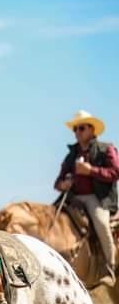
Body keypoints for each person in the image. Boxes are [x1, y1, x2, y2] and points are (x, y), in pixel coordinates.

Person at [55, 110, 119, 286]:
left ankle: (110, 268)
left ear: (92, 130)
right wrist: (63, 184)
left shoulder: (107, 149)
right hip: (73, 198)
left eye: (81, 128)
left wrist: (90, 171)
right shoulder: (72, 154)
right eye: (75, 129)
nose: (77, 132)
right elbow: (58, 181)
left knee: (101, 222)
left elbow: (115, 172)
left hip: (96, 198)